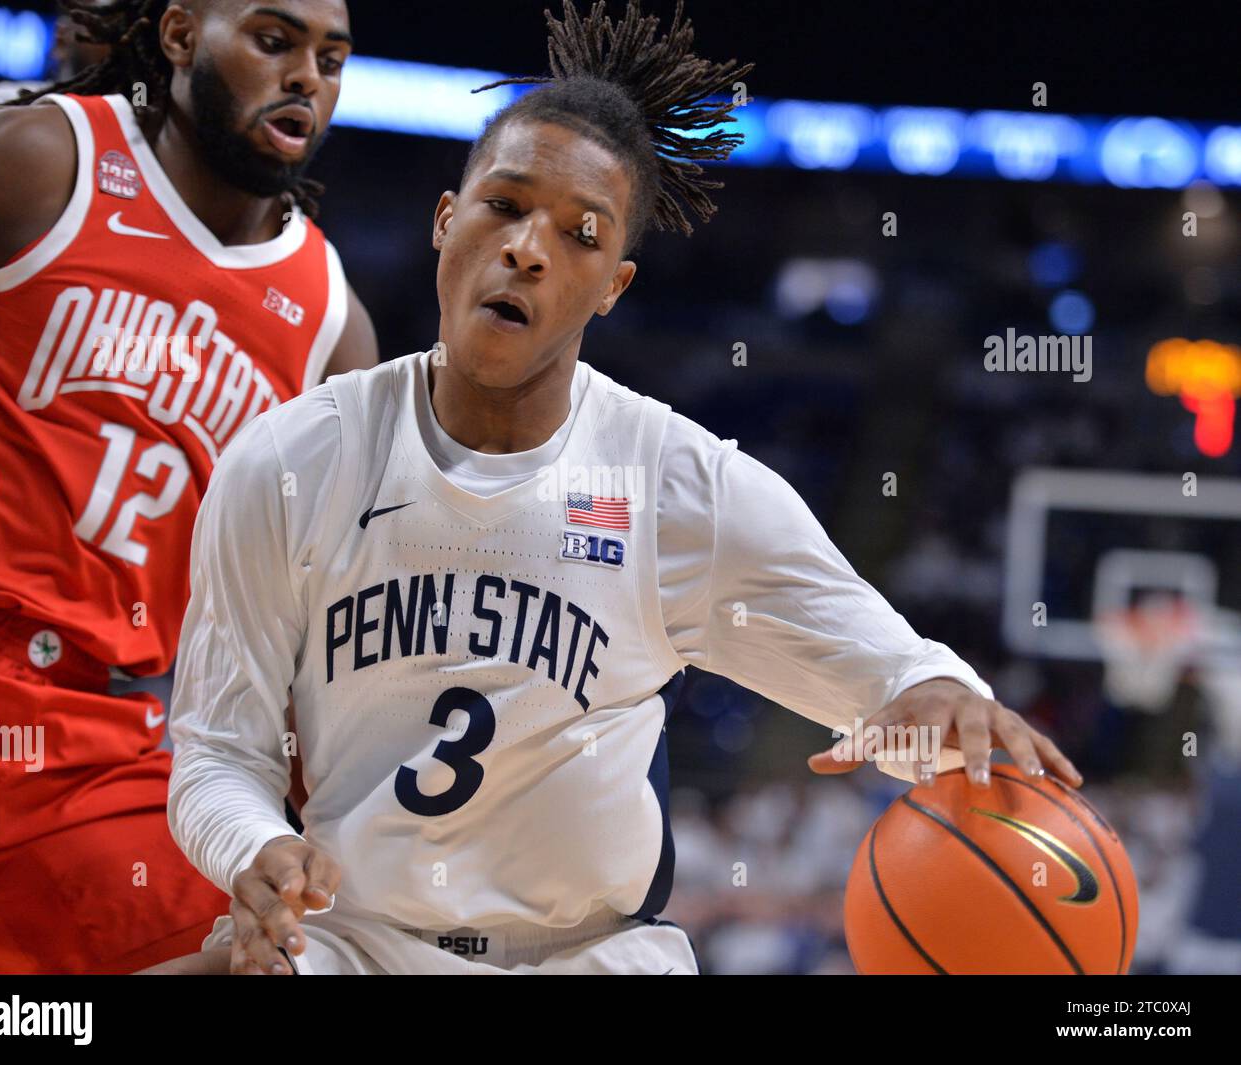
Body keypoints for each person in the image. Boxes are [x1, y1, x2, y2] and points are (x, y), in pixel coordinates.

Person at [159, 0, 1081, 976]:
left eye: (580, 234)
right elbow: (218, 753)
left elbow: (888, 673)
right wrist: (254, 848)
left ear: (614, 286)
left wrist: (944, 694)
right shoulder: (290, 462)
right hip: (359, 948)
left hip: (591, 957)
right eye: (504, 206)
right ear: (445, 220)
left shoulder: (681, 484)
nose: (527, 248)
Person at [0, 0, 376, 974]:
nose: (307, 74)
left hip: (102, 739)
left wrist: (287, 821)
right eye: (275, 41)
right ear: (181, 38)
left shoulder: (327, 327)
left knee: (262, 957)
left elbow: (318, 621)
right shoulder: (44, 158)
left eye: (332, 58)